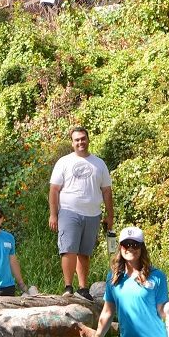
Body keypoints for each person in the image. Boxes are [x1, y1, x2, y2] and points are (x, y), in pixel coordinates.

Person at [49, 126, 115, 300]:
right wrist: (53, 214)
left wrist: (110, 216)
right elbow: (54, 190)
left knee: (84, 252)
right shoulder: (64, 162)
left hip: (93, 213)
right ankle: (68, 287)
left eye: (83, 139)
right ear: (72, 143)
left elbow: (107, 191)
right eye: (77, 140)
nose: (80, 142)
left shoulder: (99, 163)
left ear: (88, 140)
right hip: (69, 211)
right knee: (68, 249)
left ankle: (83, 288)